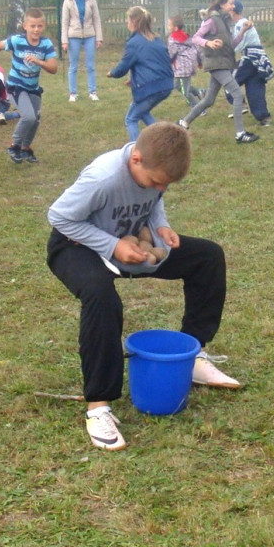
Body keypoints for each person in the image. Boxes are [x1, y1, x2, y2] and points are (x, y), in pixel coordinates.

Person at [47, 121, 241, 451]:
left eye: (166, 185)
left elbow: (154, 200)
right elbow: (60, 217)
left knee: (207, 257)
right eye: (156, 182)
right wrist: (110, 246)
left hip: (133, 243)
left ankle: (191, 356)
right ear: (136, 159)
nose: (160, 189)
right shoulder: (103, 177)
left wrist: (161, 227)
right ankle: (99, 407)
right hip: (75, 245)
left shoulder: (152, 172)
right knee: (100, 296)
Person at [176, 0, 259, 144]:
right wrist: (209, 42)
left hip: (223, 63)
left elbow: (231, 45)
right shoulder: (212, 21)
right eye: (231, 3)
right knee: (237, 95)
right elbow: (195, 38)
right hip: (216, 65)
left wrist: (242, 32)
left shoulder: (224, 22)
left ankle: (183, 123)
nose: (233, 6)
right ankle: (240, 134)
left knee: (209, 100)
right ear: (221, 4)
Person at [0, 8, 58, 164]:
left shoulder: (46, 44)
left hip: (33, 88)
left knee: (36, 119)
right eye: (32, 26)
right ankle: (14, 146)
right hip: (16, 86)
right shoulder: (17, 41)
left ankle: (25, 148)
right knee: (28, 116)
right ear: (25, 26)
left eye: (39, 26)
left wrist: (39, 61)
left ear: (44, 26)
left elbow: (53, 69)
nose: (36, 29)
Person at [107, 6, 174, 141]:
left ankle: (137, 151)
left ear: (133, 22)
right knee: (142, 111)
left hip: (151, 87)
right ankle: (162, 139)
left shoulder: (134, 43)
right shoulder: (156, 39)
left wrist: (112, 73)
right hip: (166, 84)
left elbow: (123, 67)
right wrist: (135, 80)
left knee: (131, 118)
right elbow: (152, 64)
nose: (126, 23)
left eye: (127, 20)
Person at [228, 0, 274, 127]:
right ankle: (264, 117)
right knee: (255, 87)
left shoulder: (240, 24)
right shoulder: (244, 22)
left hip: (249, 58)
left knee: (229, 81)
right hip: (258, 60)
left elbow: (238, 46)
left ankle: (240, 104)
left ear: (232, 10)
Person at [61, 0, 103, 102]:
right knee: (73, 65)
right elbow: (64, 22)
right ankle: (73, 93)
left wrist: (99, 38)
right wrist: (64, 40)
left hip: (90, 34)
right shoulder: (68, 1)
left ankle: (92, 92)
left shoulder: (91, 0)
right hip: (73, 35)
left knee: (90, 65)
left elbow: (96, 19)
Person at [166, 14, 203, 109]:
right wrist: (200, 61)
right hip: (190, 64)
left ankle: (196, 107)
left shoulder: (172, 38)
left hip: (181, 67)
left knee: (184, 91)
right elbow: (197, 48)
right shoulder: (187, 35)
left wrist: (166, 63)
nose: (167, 27)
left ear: (175, 27)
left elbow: (171, 53)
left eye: (169, 25)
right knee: (177, 85)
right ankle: (198, 92)